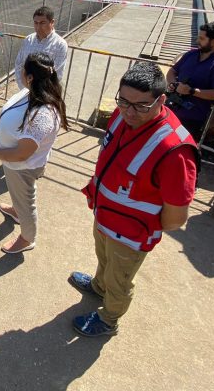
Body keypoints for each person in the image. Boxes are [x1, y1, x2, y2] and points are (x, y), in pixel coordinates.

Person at [70, 61, 198, 337]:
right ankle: (98, 286)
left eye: (141, 105)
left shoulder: (174, 151)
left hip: (130, 233)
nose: (129, 111)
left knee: (121, 279)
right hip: (105, 215)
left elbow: (176, 218)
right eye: (124, 101)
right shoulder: (122, 115)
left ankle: (108, 319)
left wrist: (141, 225)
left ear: (161, 100)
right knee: (104, 259)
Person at [0, 53, 68, 254]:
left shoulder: (43, 114)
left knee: (26, 200)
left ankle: (27, 238)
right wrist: (0, 139)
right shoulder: (33, 91)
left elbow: (23, 153)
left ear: (30, 76)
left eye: (23, 69)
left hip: (22, 166)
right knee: (18, 194)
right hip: (12, 161)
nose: (20, 72)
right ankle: (17, 210)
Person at [165, 21, 214, 140]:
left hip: (190, 118)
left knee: (176, 144)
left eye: (202, 38)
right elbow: (172, 71)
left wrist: (192, 91)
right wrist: (173, 84)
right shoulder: (191, 54)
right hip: (169, 108)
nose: (198, 41)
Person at [14, 6, 68, 89]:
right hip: (25, 90)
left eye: (42, 23)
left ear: (52, 22)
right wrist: (24, 87)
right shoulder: (28, 40)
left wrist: (39, 93)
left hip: (45, 94)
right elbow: (19, 64)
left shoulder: (60, 44)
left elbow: (57, 74)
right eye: (36, 23)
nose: (38, 27)